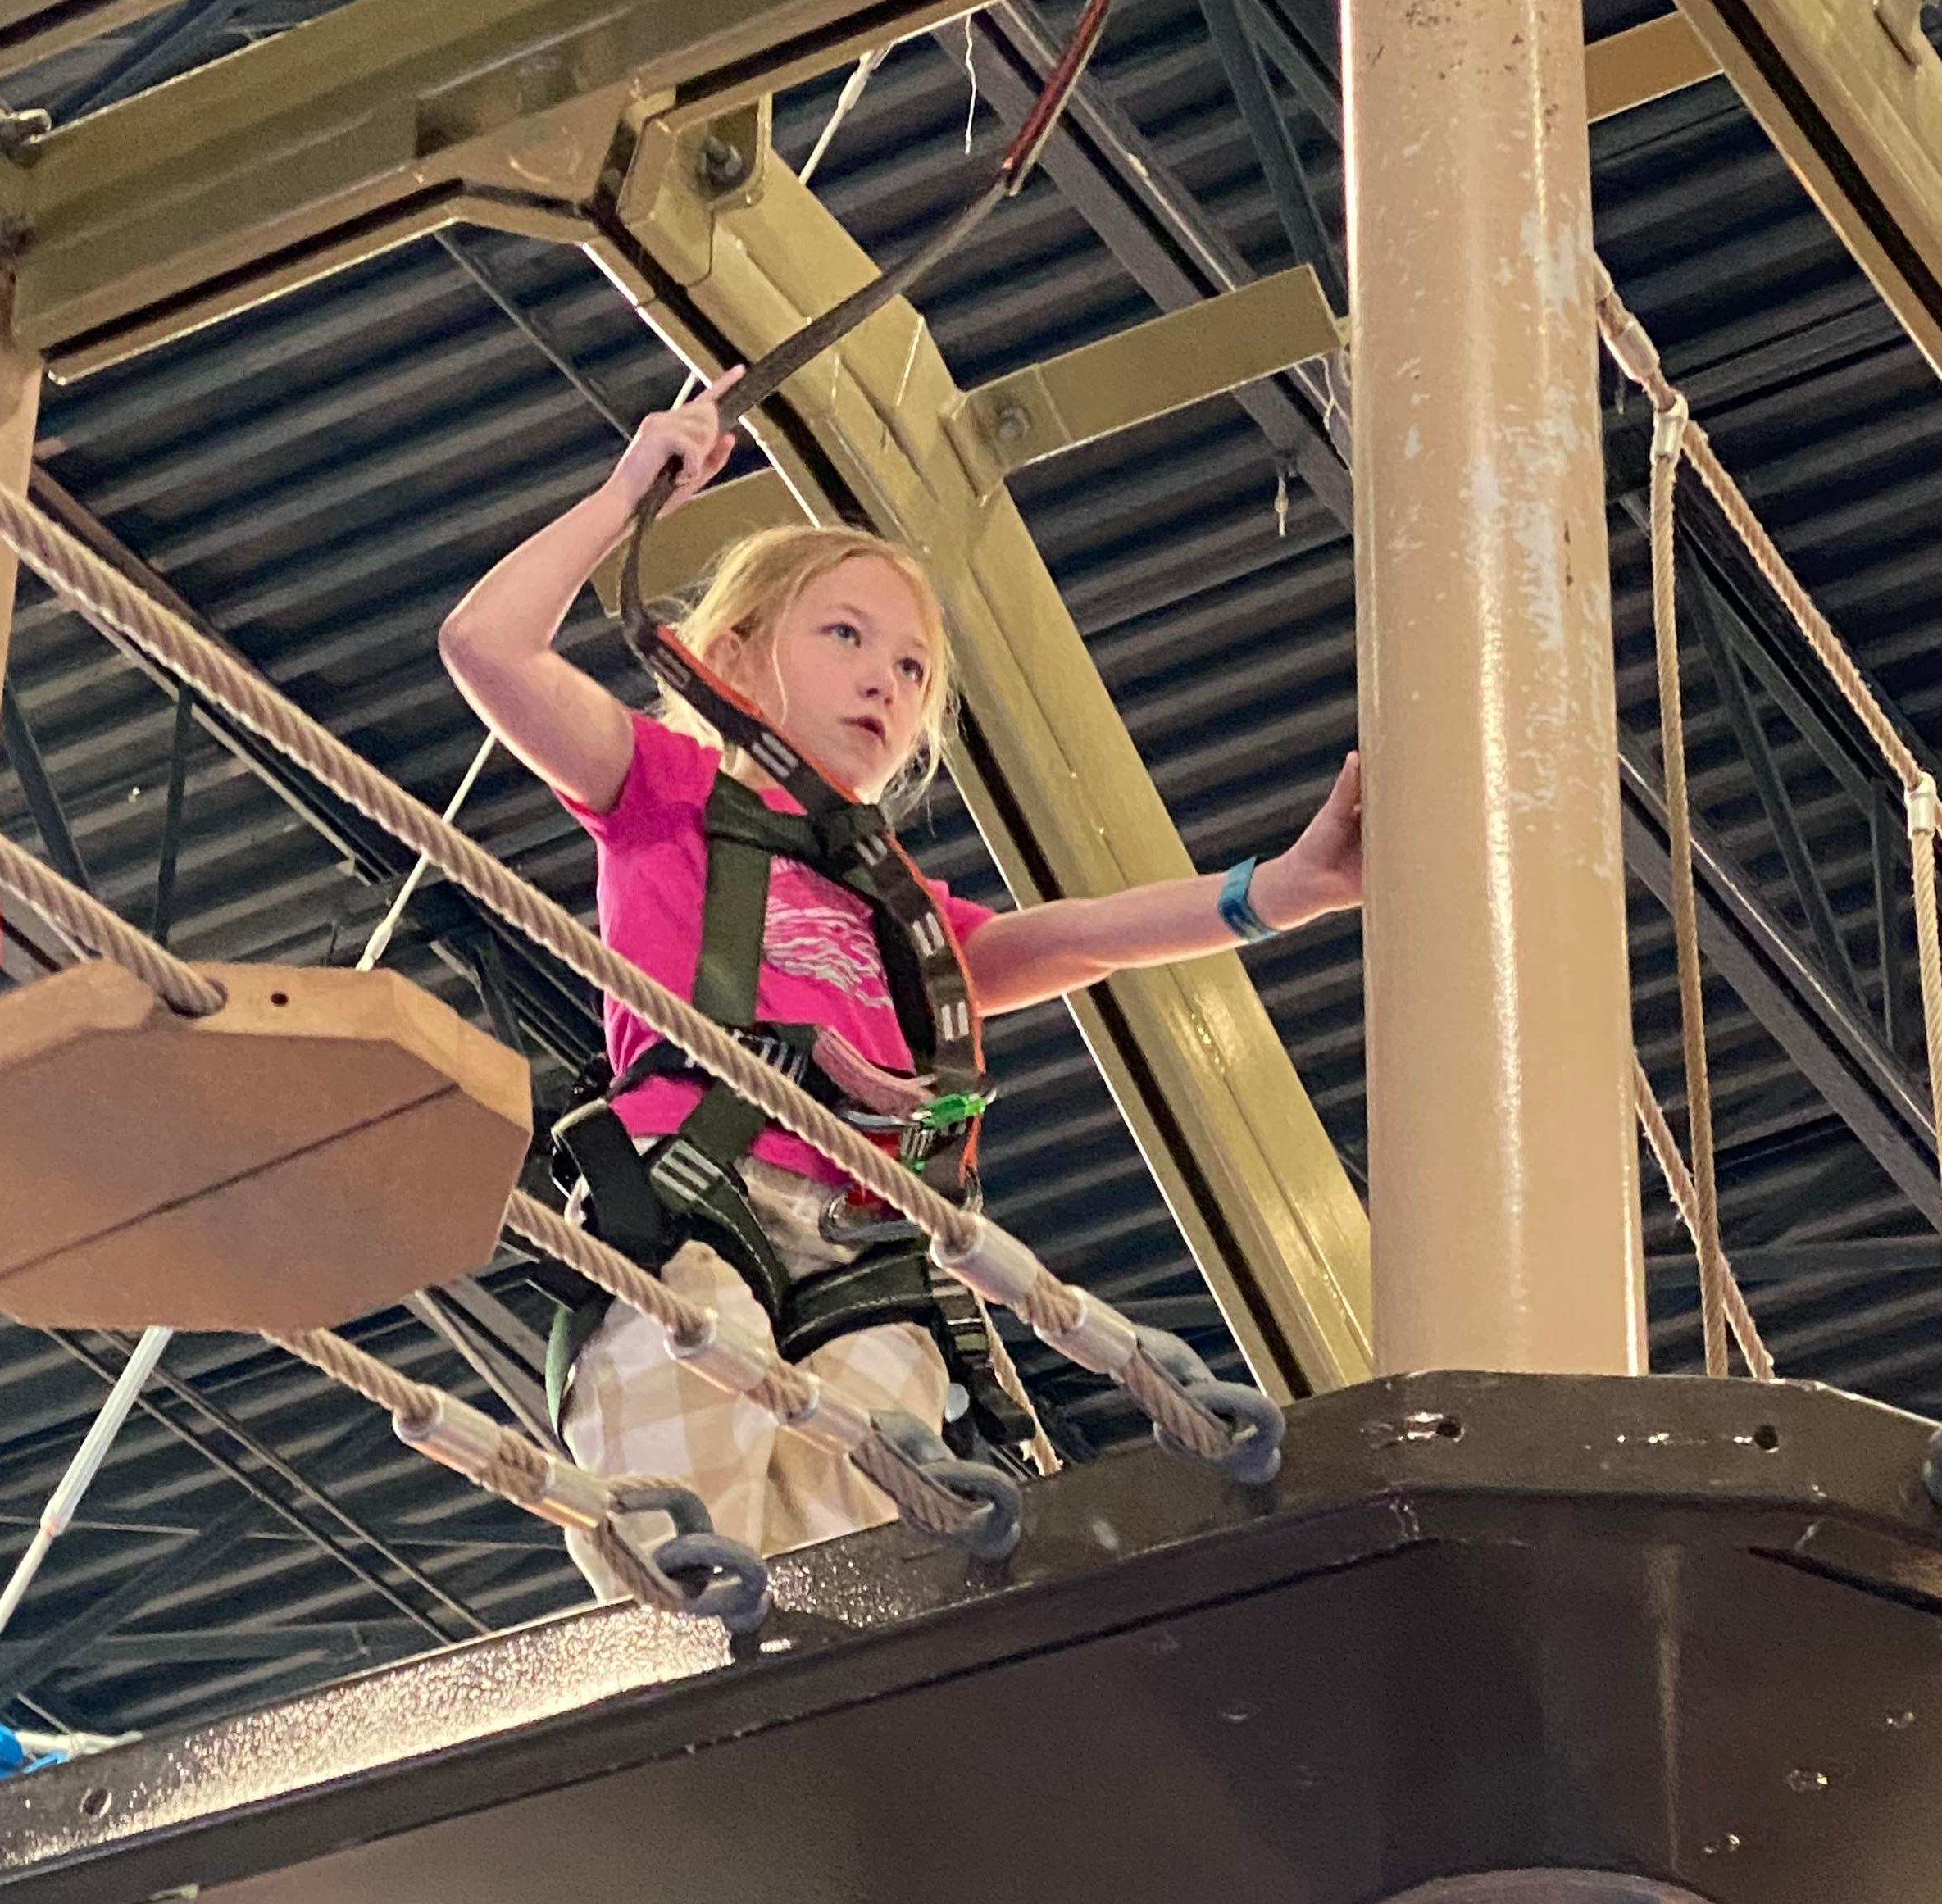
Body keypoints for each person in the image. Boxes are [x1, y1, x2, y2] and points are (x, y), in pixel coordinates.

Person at [439, 378, 1362, 1581]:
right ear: (731, 657)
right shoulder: (667, 789)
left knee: (860, 1556)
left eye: (916, 669)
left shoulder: (906, 914)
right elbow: (486, 645)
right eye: (847, 638)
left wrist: (1272, 895)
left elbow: (1069, 938)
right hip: (702, 1188)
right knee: (678, 1494)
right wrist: (629, 495)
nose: (888, 680)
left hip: (876, 1248)